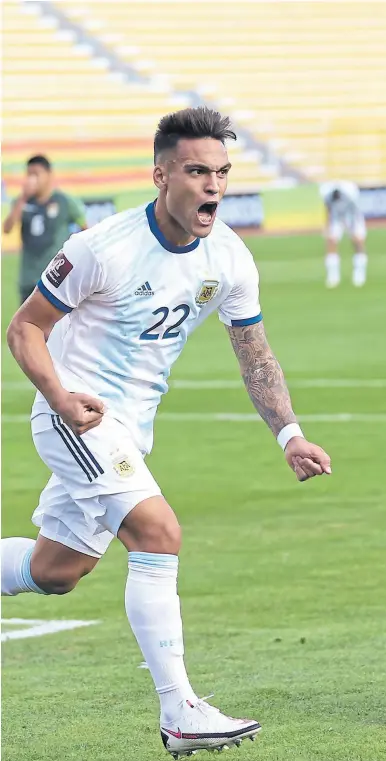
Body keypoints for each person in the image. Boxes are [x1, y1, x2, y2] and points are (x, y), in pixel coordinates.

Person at [1, 107, 332, 758]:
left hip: (130, 429)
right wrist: (61, 397)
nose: (213, 185)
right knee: (158, 531)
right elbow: (24, 328)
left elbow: (255, 355)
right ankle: (180, 710)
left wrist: (288, 433)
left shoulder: (230, 259)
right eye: (196, 171)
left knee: (56, 570)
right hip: (76, 414)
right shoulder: (104, 246)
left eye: (222, 172)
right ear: (161, 175)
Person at [3, 155, 87, 304]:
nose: (32, 178)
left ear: (49, 175)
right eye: (29, 174)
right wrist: (23, 197)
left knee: (59, 326)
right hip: (29, 279)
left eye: (36, 174)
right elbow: (7, 228)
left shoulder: (64, 201)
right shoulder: (21, 202)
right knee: (27, 325)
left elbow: (85, 229)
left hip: (58, 278)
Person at [319, 180, 368, 288]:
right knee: (331, 241)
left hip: (352, 216)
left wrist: (354, 229)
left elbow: (355, 211)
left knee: (358, 242)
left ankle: (359, 273)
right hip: (336, 217)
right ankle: (333, 275)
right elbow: (327, 209)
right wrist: (327, 226)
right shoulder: (326, 192)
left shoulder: (350, 193)